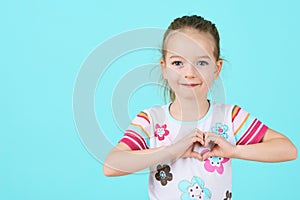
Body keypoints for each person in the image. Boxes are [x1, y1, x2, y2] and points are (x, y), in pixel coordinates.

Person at [102, 15, 297, 200]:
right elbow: (111, 166)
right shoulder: (151, 120)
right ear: (164, 68)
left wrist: (234, 151)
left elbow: (288, 150)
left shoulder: (230, 117)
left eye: (202, 62)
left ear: (216, 68)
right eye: (178, 63)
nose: (189, 73)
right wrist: (171, 150)